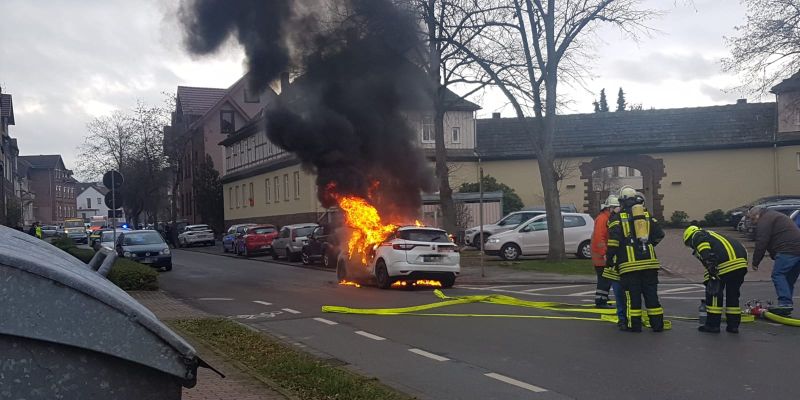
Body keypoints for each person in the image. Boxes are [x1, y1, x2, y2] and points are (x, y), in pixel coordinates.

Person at [606, 186, 665, 332]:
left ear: (622, 201)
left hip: (629, 266)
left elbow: (613, 242)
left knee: (632, 297)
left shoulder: (617, 218)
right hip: (650, 264)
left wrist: (610, 259)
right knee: (651, 295)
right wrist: (649, 246)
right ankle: (657, 325)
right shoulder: (646, 215)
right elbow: (660, 234)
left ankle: (634, 325)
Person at [683, 225, 748, 333]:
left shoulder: (697, 235)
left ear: (689, 237)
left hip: (725, 265)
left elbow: (704, 248)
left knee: (714, 294)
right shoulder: (714, 235)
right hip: (740, 265)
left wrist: (711, 268)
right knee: (733, 295)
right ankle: (733, 326)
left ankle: (713, 325)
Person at [749, 207, 800, 316]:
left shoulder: (765, 220)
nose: (753, 223)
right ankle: (786, 304)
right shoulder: (774, 216)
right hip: (797, 249)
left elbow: (762, 242)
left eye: (753, 220)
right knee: (788, 279)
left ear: (757, 215)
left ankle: (785, 303)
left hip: (788, 250)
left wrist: (755, 262)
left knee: (778, 274)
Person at [592, 195, 619, 308]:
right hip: (600, 255)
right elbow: (599, 237)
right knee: (604, 279)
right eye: (617, 208)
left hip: (601, 254)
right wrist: (604, 253)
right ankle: (601, 301)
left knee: (606, 277)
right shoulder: (603, 219)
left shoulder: (605, 218)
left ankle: (603, 298)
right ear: (610, 208)